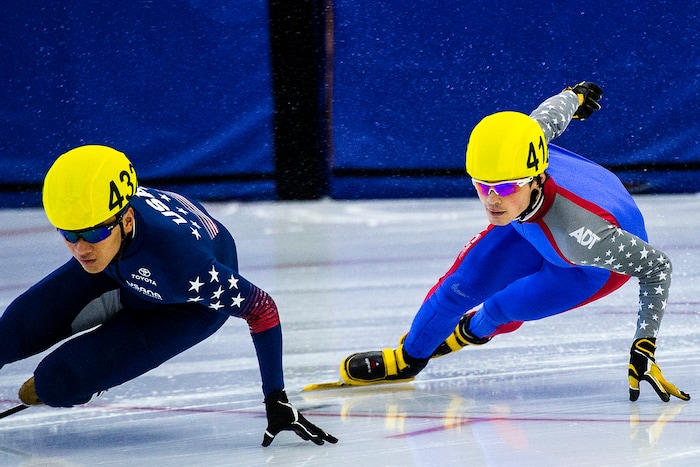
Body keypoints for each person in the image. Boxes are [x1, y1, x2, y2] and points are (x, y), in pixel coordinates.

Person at [340, 82, 690, 403]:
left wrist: (644, 344)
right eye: (482, 185)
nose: (493, 200)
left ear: (537, 177)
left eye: (506, 187)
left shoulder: (585, 236)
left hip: (586, 267)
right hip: (531, 222)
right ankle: (408, 360)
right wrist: (575, 95)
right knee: (456, 289)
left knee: (501, 308)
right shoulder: (523, 150)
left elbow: (657, 267)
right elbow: (545, 118)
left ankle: (468, 332)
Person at [0, 145, 337, 446]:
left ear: (127, 219)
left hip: (181, 309)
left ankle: (84, 379)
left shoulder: (182, 265)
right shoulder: (102, 228)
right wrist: (94, 236)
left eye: (93, 231)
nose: (81, 248)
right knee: (7, 337)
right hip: (120, 270)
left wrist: (275, 397)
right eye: (69, 234)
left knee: (51, 385)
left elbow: (261, 308)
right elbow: (92, 236)